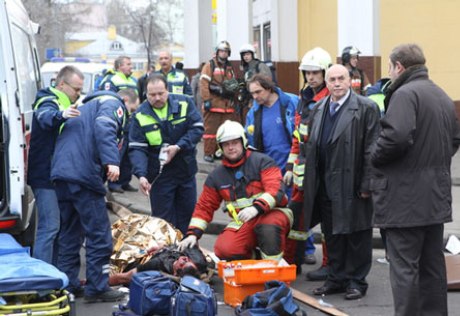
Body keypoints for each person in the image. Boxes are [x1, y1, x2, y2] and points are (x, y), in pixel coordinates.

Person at [371, 43, 460, 316]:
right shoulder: (441, 95)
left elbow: (395, 137)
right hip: (435, 199)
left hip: (405, 200)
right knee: (432, 267)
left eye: (389, 67)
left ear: (398, 66)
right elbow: (455, 139)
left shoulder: (404, 94)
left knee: (404, 269)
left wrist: (374, 154)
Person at [302, 64, 380, 300]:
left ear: (349, 81)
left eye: (341, 78)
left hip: (353, 183)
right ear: (326, 83)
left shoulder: (366, 108)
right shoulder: (319, 107)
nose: (336, 83)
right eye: (332, 79)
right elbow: (310, 145)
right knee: (332, 234)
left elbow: (372, 149)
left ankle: (356, 281)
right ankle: (336, 278)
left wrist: (367, 184)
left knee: (357, 234)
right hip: (325, 182)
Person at [50, 88, 136, 302]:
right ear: (125, 101)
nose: (128, 114)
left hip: (62, 174)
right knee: (99, 235)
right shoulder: (112, 104)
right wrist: (111, 161)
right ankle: (97, 288)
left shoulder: (84, 107)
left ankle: (69, 285)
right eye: (131, 109)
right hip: (83, 176)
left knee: (70, 234)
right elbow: (104, 127)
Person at [178, 120, 293, 262]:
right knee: (224, 249)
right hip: (244, 220)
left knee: (268, 228)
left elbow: (276, 189)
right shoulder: (217, 176)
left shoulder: (262, 161)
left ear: (243, 142)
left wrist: (256, 208)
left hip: (273, 212)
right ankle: (256, 260)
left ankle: (273, 270)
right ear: (220, 147)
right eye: (226, 144)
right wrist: (193, 234)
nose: (231, 147)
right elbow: (204, 206)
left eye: (234, 143)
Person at [129, 74, 204, 235]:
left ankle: (186, 254)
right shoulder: (140, 115)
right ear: (145, 95)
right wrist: (141, 175)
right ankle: (167, 256)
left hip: (185, 170)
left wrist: (179, 146)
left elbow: (197, 128)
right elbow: (137, 148)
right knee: (163, 223)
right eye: (152, 95)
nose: (157, 98)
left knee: (187, 217)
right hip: (159, 176)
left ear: (167, 91)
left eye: (160, 93)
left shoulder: (184, 103)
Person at [282, 47, 331, 275]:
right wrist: (291, 166)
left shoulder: (329, 98)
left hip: (323, 171)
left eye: (315, 73)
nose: (311, 77)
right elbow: (297, 136)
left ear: (325, 72)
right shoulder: (304, 98)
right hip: (302, 175)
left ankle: (329, 265)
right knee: (296, 221)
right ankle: (292, 262)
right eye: (307, 73)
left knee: (329, 221)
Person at [27, 66, 84, 265]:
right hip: (45, 176)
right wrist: (61, 115)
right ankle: (41, 282)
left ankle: (55, 275)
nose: (78, 94)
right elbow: (45, 115)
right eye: (76, 89)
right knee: (49, 227)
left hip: (59, 176)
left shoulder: (69, 102)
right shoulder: (47, 97)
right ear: (62, 84)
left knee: (60, 228)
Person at [245, 74, 297, 175]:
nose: (255, 96)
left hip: (292, 166)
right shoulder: (252, 113)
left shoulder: (291, 102)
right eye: (252, 93)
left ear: (268, 88)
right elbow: (249, 144)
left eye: (258, 92)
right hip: (268, 169)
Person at [200, 40, 240, 163]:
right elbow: (204, 83)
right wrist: (206, 100)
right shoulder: (209, 65)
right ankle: (208, 153)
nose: (223, 54)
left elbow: (233, 85)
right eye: (221, 51)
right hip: (213, 104)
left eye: (226, 52)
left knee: (224, 131)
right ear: (217, 52)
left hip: (227, 106)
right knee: (211, 131)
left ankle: (219, 152)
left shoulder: (230, 68)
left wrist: (234, 97)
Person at [107, 89, 140, 193]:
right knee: (118, 158)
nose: (132, 112)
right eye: (132, 109)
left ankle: (124, 182)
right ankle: (113, 183)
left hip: (128, 133)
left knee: (127, 160)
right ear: (125, 100)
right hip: (119, 135)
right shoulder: (115, 108)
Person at [238, 44, 272, 122]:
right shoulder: (246, 68)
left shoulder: (260, 66)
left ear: (252, 55)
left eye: (248, 54)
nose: (246, 57)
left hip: (261, 97)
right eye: (244, 55)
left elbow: (267, 82)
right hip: (250, 98)